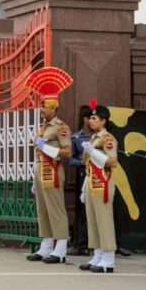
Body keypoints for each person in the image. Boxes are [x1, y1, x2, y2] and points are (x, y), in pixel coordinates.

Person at [25, 67, 73, 264]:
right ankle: (45, 246)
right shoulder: (43, 127)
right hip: (40, 170)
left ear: (54, 108)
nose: (42, 109)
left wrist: (46, 148)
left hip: (52, 171)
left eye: (44, 106)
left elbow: (67, 152)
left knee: (55, 209)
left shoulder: (61, 127)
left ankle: (60, 248)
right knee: (42, 209)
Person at [79, 100, 119, 273]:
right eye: (90, 118)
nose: (91, 121)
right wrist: (83, 188)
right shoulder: (94, 138)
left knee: (104, 220)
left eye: (94, 118)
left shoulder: (108, 139)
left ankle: (108, 258)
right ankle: (97, 254)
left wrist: (92, 151)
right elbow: (88, 165)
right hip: (91, 182)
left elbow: (112, 161)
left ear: (103, 121)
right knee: (93, 221)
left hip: (103, 182)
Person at [68, 105, 91, 256]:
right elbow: (71, 160)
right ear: (85, 119)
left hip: (101, 176)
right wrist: (83, 162)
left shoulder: (103, 137)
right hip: (83, 175)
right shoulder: (77, 137)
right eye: (91, 118)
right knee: (82, 212)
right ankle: (81, 244)